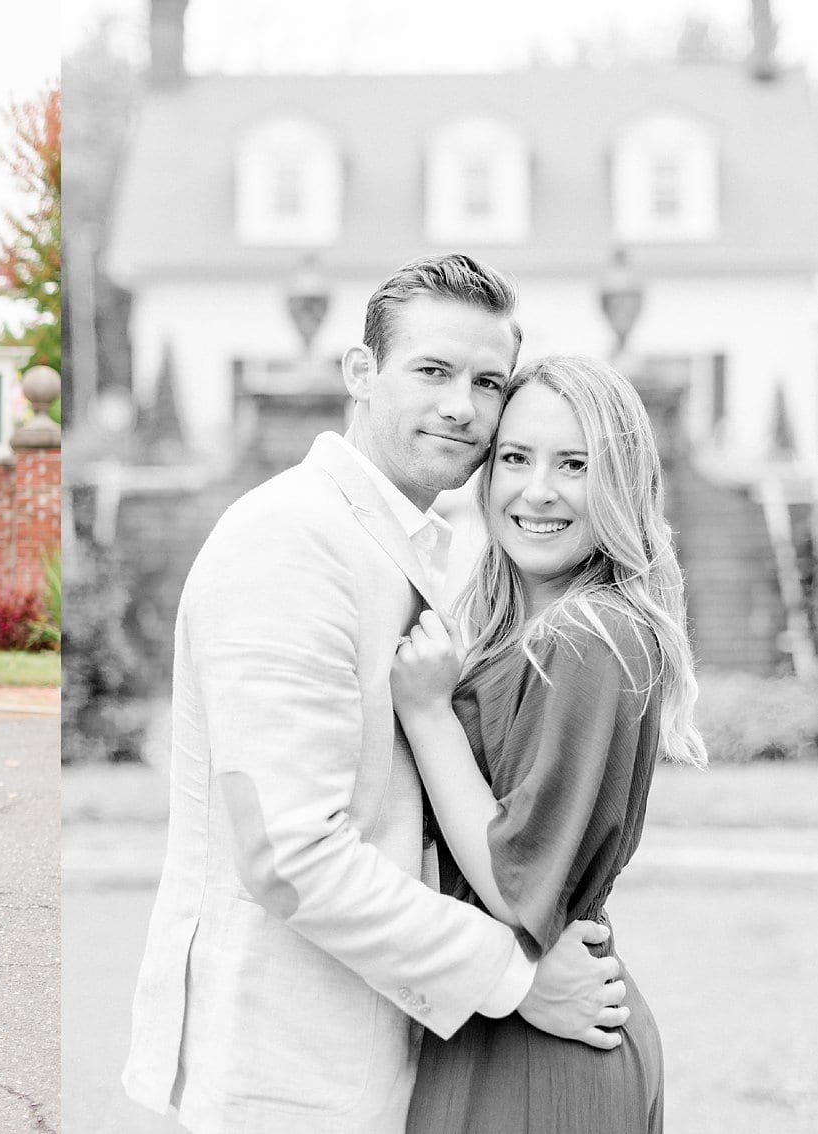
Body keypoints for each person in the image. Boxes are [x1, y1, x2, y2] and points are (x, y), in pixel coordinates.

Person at [122, 255, 627, 1132]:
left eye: (485, 381)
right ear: (361, 373)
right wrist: (516, 979)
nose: (460, 406)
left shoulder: (419, 544)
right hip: (288, 1070)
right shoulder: (288, 541)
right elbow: (290, 850)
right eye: (431, 370)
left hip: (391, 1053)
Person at [393, 356, 706, 1132]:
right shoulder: (525, 633)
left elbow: (515, 883)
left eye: (574, 464)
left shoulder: (588, 638)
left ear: (620, 483)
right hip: (508, 1017)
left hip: (542, 1045)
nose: (537, 491)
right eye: (515, 458)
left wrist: (429, 715)